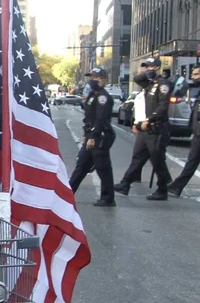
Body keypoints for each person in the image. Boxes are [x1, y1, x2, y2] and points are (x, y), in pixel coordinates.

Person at [114, 57, 172, 200]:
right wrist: (144, 73)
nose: (148, 69)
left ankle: (163, 188)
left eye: (151, 67)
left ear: (157, 68)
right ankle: (125, 183)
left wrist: (150, 119)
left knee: (157, 159)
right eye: (146, 67)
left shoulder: (163, 84)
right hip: (145, 127)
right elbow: (137, 79)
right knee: (137, 157)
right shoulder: (149, 84)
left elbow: (163, 107)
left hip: (157, 128)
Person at [69, 67, 116, 206]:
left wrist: (93, 137)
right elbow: (88, 117)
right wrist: (87, 135)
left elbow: (100, 119)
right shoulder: (93, 95)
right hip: (91, 134)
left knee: (103, 168)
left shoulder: (103, 96)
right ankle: (68, 192)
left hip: (100, 136)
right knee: (81, 165)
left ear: (102, 80)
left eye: (95, 77)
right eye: (91, 77)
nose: (92, 80)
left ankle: (108, 198)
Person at [168, 66, 200, 196]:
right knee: (192, 161)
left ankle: (177, 186)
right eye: (193, 74)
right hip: (198, 132)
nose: (194, 77)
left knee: (192, 161)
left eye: (197, 74)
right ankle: (177, 187)